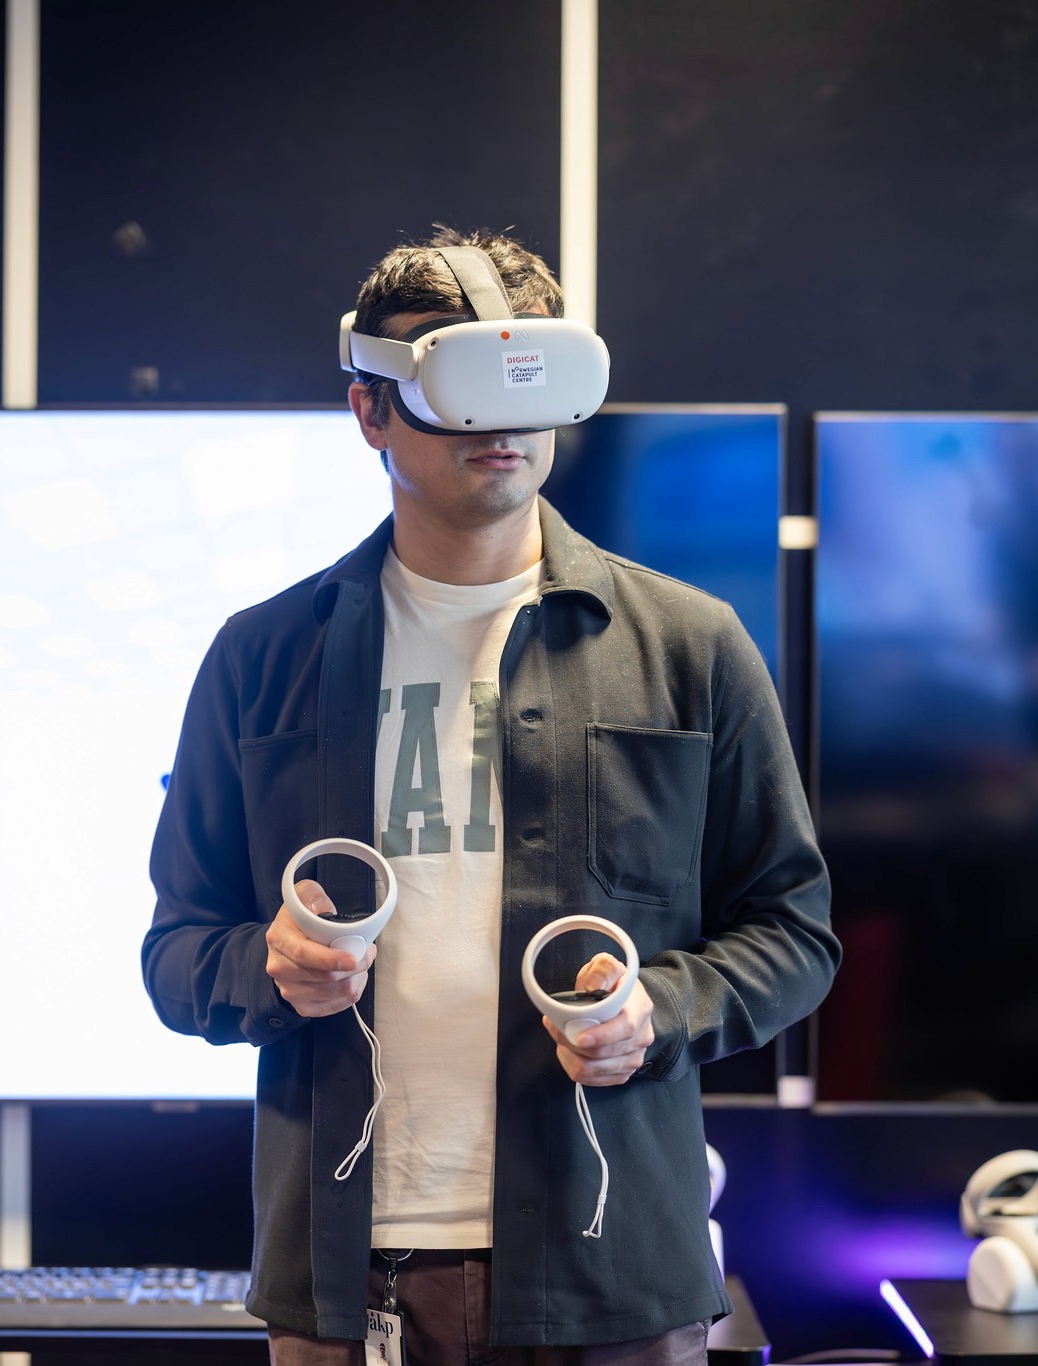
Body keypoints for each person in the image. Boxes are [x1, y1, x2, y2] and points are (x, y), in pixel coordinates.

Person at [142, 227, 837, 1364]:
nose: (498, 422)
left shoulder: (687, 646)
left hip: (608, 1272)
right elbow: (175, 951)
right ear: (369, 409)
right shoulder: (260, 658)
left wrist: (654, 1010)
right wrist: (263, 969)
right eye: (452, 385)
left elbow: (792, 934)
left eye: (527, 383)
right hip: (342, 1274)